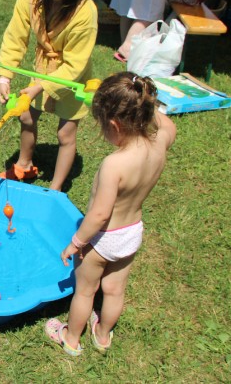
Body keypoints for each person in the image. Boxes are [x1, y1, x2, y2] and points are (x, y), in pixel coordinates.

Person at [44, 72, 176, 356]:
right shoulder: (161, 142)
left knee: (86, 291)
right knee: (115, 289)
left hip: (102, 239)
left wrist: (76, 243)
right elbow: (167, 124)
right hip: (131, 232)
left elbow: (100, 215)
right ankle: (103, 335)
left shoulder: (114, 165)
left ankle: (71, 338)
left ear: (115, 125)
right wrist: (143, 104)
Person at [0, 0, 97, 192]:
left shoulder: (86, 13)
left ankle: (55, 188)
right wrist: (5, 76)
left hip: (72, 79)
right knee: (27, 115)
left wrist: (40, 87)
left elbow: (75, 64)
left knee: (65, 134)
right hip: (43, 69)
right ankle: (24, 164)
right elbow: (15, 37)